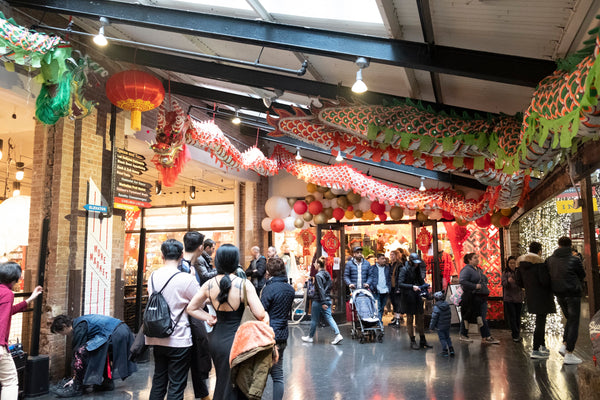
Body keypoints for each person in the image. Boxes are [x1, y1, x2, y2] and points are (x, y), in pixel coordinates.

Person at [187, 244, 266, 400]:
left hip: (217, 339)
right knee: (239, 382)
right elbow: (260, 313)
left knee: (223, 380)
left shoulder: (209, 284)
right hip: (239, 339)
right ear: (235, 261)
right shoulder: (244, 284)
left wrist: (209, 317)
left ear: (218, 261)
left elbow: (191, 308)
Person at [146, 239, 212, 400]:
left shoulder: (153, 276)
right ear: (181, 255)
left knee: (158, 381)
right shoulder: (185, 279)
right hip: (179, 339)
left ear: (162, 255)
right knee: (176, 385)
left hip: (156, 337)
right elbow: (200, 303)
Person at [50, 314, 138, 397]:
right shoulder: (79, 322)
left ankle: (77, 387)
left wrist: (74, 378)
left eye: (60, 332)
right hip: (121, 330)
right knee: (96, 351)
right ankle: (107, 382)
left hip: (116, 333)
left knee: (80, 352)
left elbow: (77, 353)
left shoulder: (79, 327)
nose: (62, 335)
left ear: (65, 326)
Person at [0, 262, 42, 400]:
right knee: (10, 382)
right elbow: (3, 319)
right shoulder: (7, 293)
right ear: (13, 279)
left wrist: (29, 299)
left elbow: (8, 311)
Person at [546, 236, 586, 365]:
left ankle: (564, 344)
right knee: (574, 321)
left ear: (558, 245)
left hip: (559, 294)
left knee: (570, 319)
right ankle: (569, 352)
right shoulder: (575, 259)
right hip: (573, 294)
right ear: (570, 246)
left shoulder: (550, 260)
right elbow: (582, 275)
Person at [260, 257, 295, 400]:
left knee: (260, 373)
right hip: (282, 333)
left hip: (268, 334)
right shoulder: (290, 289)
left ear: (269, 271)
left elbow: (261, 311)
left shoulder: (269, 288)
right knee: (278, 374)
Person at [516, 241, 555, 359]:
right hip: (542, 296)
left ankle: (542, 345)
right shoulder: (539, 263)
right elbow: (545, 281)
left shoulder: (521, 265)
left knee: (540, 321)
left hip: (531, 296)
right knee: (540, 322)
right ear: (539, 251)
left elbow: (519, 282)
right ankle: (536, 348)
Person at [459, 253, 499, 345]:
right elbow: (462, 281)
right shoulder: (467, 270)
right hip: (472, 297)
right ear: (469, 260)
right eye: (475, 258)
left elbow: (483, 279)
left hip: (481, 296)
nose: (477, 259)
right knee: (469, 316)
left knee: (481, 317)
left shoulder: (478, 269)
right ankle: (482, 336)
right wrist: (474, 286)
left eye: (478, 258)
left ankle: (485, 336)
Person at [302, 257, 343, 345]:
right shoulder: (327, 274)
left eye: (315, 263)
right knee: (329, 317)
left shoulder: (318, 276)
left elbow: (320, 289)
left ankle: (310, 337)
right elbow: (329, 286)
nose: (314, 265)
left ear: (318, 265)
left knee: (314, 319)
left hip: (319, 300)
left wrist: (323, 302)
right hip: (327, 299)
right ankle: (338, 334)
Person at [397, 253, 432, 350]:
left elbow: (420, 280)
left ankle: (422, 339)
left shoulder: (417, 269)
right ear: (411, 262)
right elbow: (400, 283)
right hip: (408, 296)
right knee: (410, 318)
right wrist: (412, 287)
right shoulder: (404, 269)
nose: (417, 264)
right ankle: (412, 340)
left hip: (416, 296)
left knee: (420, 317)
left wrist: (425, 285)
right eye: (415, 263)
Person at [501, 255, 524, 343]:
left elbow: (523, 283)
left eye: (514, 263)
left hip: (518, 298)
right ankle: (515, 335)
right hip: (509, 299)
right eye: (510, 263)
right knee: (512, 317)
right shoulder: (506, 273)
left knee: (518, 317)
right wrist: (507, 281)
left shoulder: (519, 272)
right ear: (508, 264)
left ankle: (517, 333)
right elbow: (503, 283)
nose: (512, 264)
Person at [430, 291, 454, 357]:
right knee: (447, 337)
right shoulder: (447, 305)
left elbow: (434, 318)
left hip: (440, 326)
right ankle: (451, 349)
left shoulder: (436, 307)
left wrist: (431, 327)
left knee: (442, 338)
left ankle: (445, 351)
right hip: (447, 325)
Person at [372, 253, 391, 322]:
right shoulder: (373, 268)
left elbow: (389, 278)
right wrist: (373, 287)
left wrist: (389, 288)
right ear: (378, 260)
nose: (384, 260)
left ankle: (379, 321)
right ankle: (379, 323)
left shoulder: (387, 268)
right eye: (382, 259)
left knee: (382, 307)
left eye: (384, 259)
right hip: (376, 290)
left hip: (385, 290)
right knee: (378, 307)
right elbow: (371, 278)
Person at [389, 250, 404, 327]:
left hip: (397, 286)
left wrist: (399, 287)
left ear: (397, 256)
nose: (391, 256)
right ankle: (395, 318)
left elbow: (400, 277)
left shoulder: (399, 265)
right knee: (394, 302)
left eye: (393, 255)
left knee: (397, 303)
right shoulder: (391, 264)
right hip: (391, 286)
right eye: (390, 254)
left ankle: (398, 319)